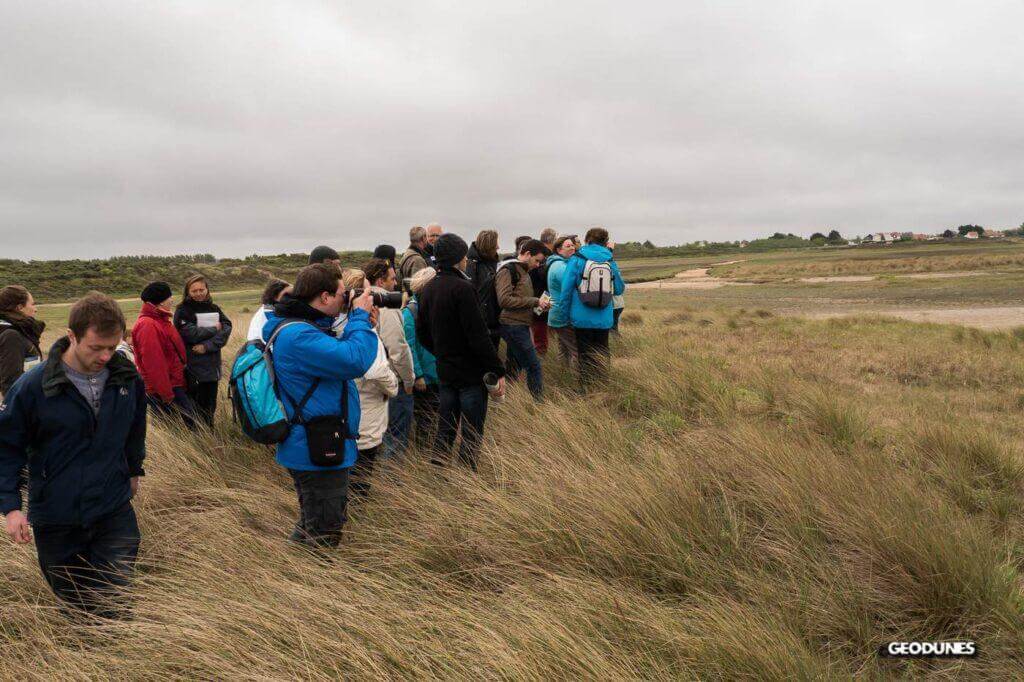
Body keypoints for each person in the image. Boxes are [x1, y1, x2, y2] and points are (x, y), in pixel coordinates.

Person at [0, 292, 147, 618]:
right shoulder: (33, 386)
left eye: (113, 347)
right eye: (96, 348)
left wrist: (134, 469)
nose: (106, 356)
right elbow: (6, 447)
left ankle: (120, 659)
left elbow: (136, 426)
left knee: (116, 599)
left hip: (113, 510)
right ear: (72, 336)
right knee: (77, 606)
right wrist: (10, 507)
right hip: (57, 517)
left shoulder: (127, 378)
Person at [262, 264, 376, 548]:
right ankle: (307, 586)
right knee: (324, 531)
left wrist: (359, 322)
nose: (345, 299)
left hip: (314, 441)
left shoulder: (304, 328)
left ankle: (294, 576)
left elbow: (343, 353)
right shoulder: (299, 336)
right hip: (315, 446)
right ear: (324, 297)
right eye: (341, 293)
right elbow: (354, 360)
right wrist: (359, 317)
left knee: (313, 522)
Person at [417, 234, 506, 469]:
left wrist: (441, 353)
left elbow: (422, 333)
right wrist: (497, 369)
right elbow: (478, 336)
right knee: (472, 429)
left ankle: (440, 473)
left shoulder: (429, 289)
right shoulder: (464, 289)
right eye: (464, 254)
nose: (466, 258)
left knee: (445, 426)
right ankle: (467, 477)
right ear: (458, 258)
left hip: (445, 370)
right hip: (470, 373)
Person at [555, 227, 626, 390]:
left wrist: (564, 316)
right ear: (606, 242)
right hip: (604, 318)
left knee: (584, 355)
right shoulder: (609, 260)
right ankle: (602, 387)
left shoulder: (577, 259)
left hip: (581, 318)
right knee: (602, 353)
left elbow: (566, 290)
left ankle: (586, 390)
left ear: (587, 240)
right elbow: (620, 288)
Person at [362, 259, 416, 460]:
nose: (396, 283)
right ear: (380, 280)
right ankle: (392, 486)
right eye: (392, 279)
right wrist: (408, 379)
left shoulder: (359, 302)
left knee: (375, 437)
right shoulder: (385, 303)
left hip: (368, 380)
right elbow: (398, 348)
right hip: (391, 380)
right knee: (395, 438)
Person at [132, 281, 196, 425]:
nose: (172, 299)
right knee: (184, 425)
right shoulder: (148, 325)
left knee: (184, 424)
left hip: (172, 383)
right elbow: (154, 364)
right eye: (169, 296)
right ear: (160, 302)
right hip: (164, 389)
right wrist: (166, 394)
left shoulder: (160, 319)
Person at [173, 275, 233, 427]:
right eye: (194, 291)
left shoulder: (214, 308)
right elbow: (189, 333)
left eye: (202, 289)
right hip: (192, 368)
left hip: (212, 368)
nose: (199, 293)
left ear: (207, 290)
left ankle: (208, 439)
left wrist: (207, 346)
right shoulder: (182, 310)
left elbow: (226, 328)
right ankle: (197, 441)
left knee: (210, 408)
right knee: (194, 410)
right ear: (187, 292)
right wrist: (214, 328)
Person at [496, 239, 550, 401]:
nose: (538, 265)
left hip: (520, 325)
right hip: (512, 325)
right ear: (527, 254)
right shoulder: (508, 270)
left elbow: (520, 299)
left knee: (515, 366)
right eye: (537, 260)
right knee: (534, 366)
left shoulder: (523, 270)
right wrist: (535, 302)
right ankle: (539, 403)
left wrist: (539, 306)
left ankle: (506, 400)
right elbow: (504, 300)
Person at [402, 267, 440, 450]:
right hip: (425, 377)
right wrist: (418, 375)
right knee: (425, 419)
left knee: (435, 417)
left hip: (438, 374)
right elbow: (408, 347)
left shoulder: (435, 308)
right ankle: (422, 454)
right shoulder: (410, 313)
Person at [0, 285, 45, 397]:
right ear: (20, 307)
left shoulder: (20, 331)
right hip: (24, 407)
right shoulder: (11, 336)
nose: (36, 309)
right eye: (32, 304)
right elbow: (10, 385)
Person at [465, 229, 502, 351]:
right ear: (489, 245)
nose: (498, 247)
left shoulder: (494, 263)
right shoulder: (471, 265)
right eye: (495, 244)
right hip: (482, 323)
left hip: (494, 320)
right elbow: (472, 294)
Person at [546, 235, 579, 365]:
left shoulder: (560, 263)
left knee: (564, 350)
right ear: (559, 250)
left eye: (572, 245)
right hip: (562, 315)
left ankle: (562, 378)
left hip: (558, 314)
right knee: (577, 351)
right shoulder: (560, 266)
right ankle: (580, 381)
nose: (572, 248)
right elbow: (574, 285)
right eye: (568, 246)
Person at [530, 228, 557, 355]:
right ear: (552, 240)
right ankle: (541, 362)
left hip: (537, 296)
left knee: (539, 332)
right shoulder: (545, 256)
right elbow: (544, 277)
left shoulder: (539, 253)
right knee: (540, 333)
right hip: (541, 297)